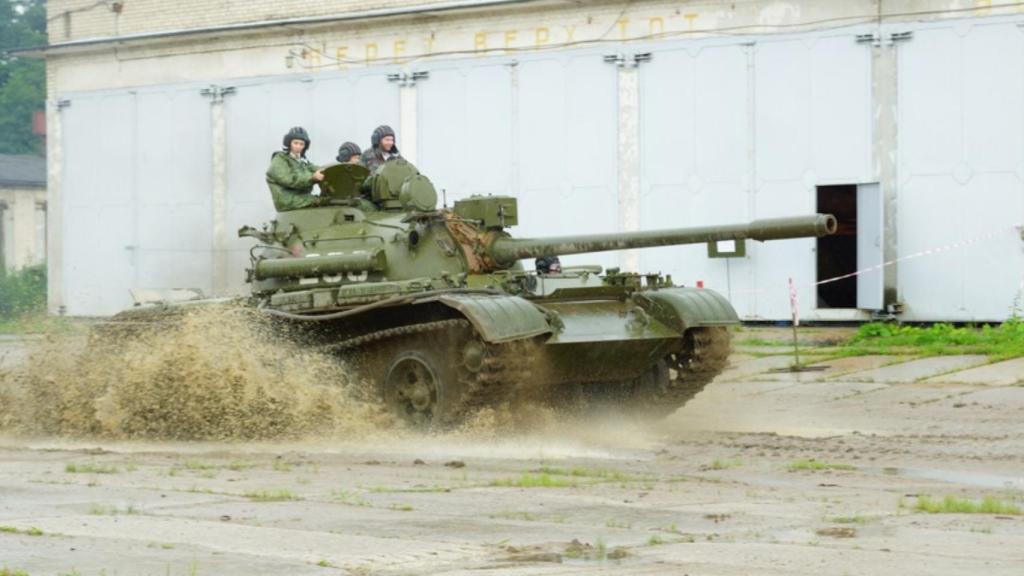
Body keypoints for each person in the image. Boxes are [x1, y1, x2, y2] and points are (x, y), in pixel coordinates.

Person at [266, 126, 324, 211]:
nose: (298, 147)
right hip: (288, 201)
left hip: (302, 198)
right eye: (295, 143)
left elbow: (314, 168)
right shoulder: (279, 159)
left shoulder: (301, 160)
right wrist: (312, 178)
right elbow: (290, 180)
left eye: (301, 144)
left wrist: (328, 171)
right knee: (324, 202)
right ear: (289, 143)